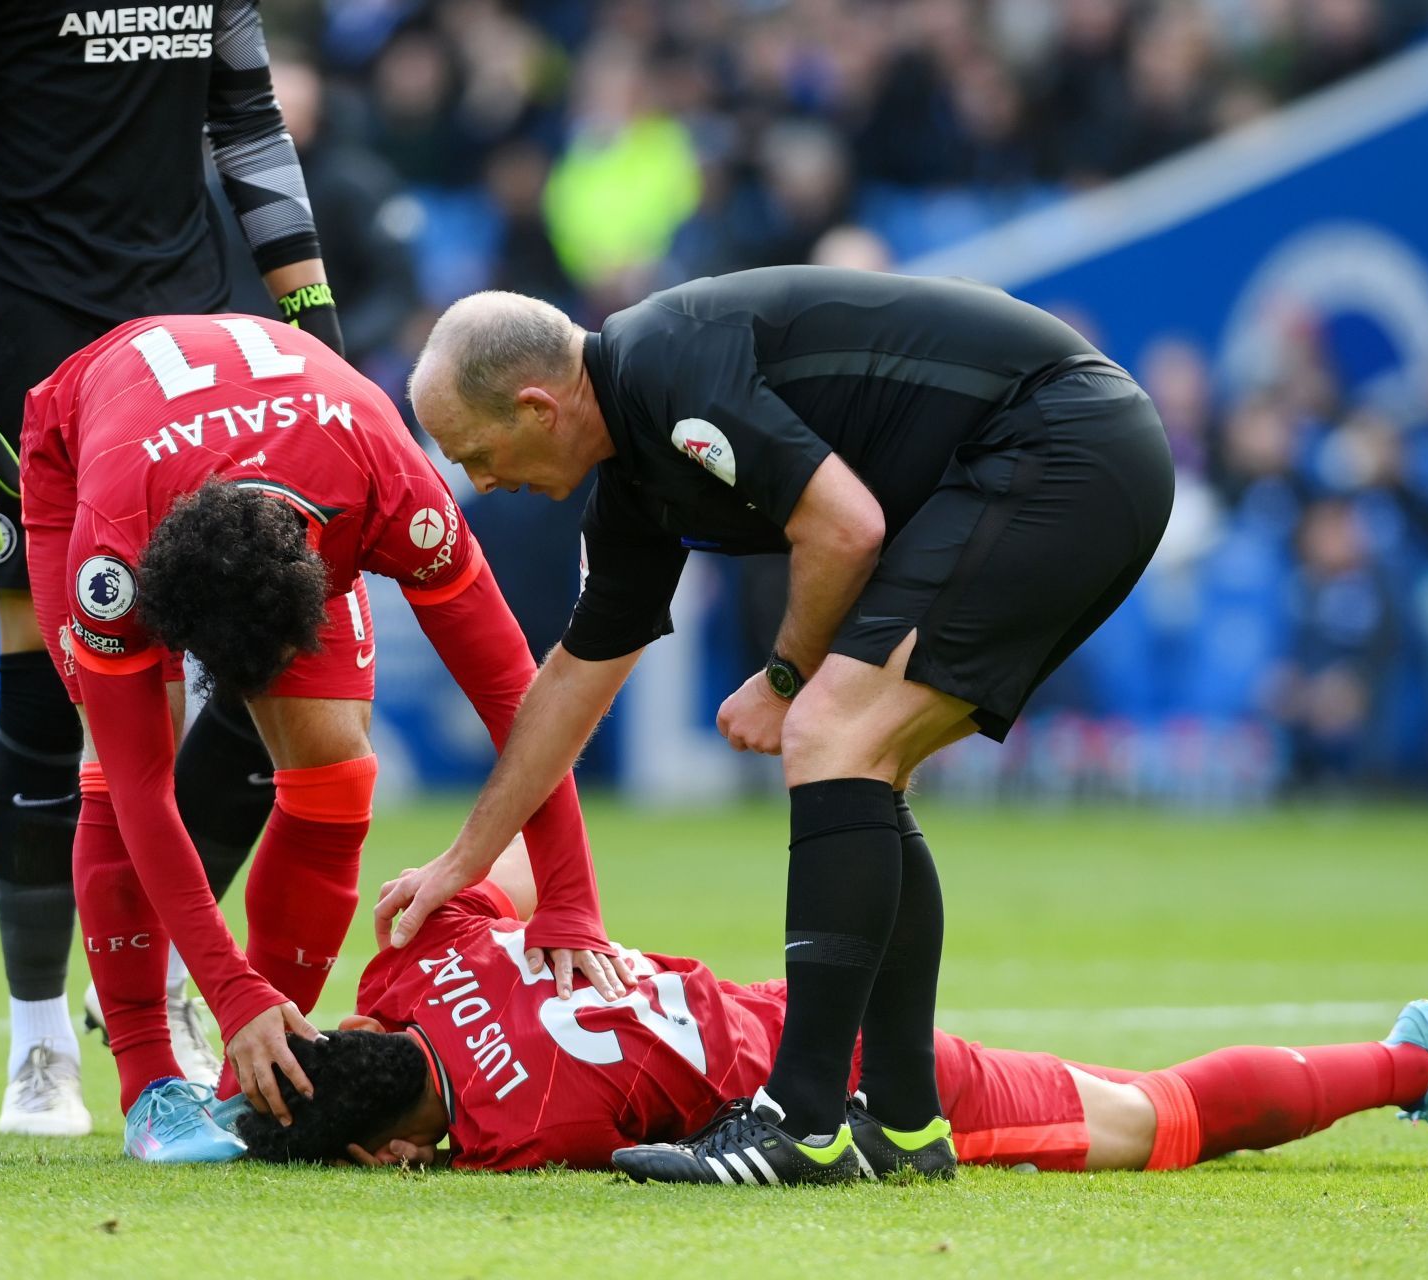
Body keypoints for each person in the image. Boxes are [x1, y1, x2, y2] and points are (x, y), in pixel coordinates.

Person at [386, 267, 1176, 1183]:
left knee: (830, 734)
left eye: (475, 452)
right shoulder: (636, 478)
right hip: (1058, 451)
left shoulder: (661, 367)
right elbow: (568, 684)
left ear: (537, 408)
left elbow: (844, 527)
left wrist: (785, 677)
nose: (480, 480)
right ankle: (906, 1122)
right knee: (860, 761)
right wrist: (464, 862)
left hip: (1059, 442)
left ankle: (801, 1123)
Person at [15, 311, 627, 1161]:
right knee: (112, 769)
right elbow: (142, 793)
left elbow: (514, 698)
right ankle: (151, 1084)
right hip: (85, 444)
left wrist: (570, 901)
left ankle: (255, 1090)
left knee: (337, 773)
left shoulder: (393, 490)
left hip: (306, 461)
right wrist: (231, 990)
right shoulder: (110, 559)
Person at [0, 0, 346, 1133]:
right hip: (22, 336)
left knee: (251, 654)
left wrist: (311, 311)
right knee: (51, 689)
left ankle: (155, 971)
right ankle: (38, 1041)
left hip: (187, 336)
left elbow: (247, 118)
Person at [232, 843, 1428, 1176]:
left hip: (846, 1082)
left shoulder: (516, 1140)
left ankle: (1414, 1067)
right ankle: (1408, 1063)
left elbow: (492, 1117)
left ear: (382, 1153)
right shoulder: (406, 963)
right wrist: (468, 885)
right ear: (343, 1026)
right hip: (803, 1008)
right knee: (1138, 1102)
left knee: (1163, 1120)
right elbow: (508, 869)